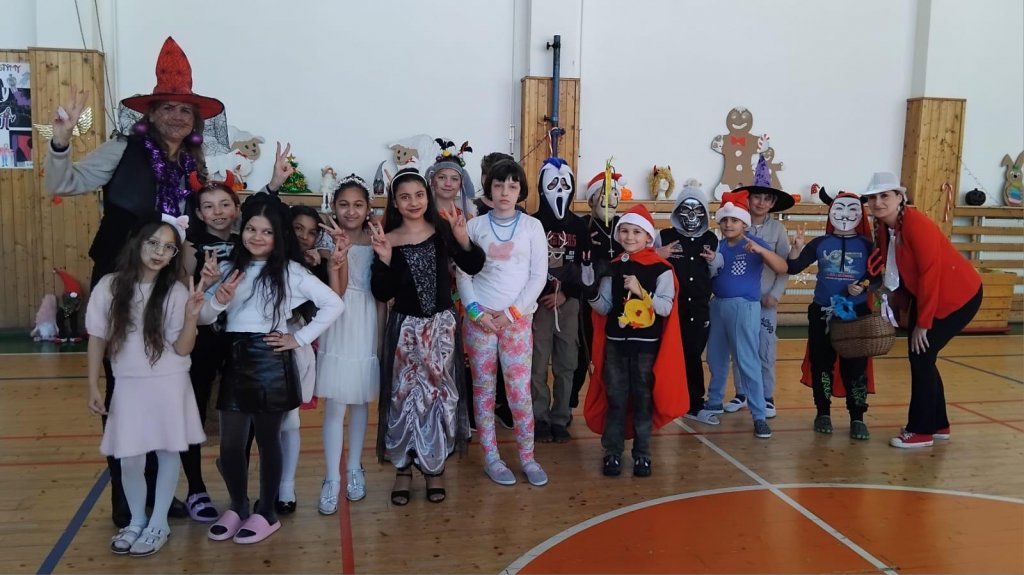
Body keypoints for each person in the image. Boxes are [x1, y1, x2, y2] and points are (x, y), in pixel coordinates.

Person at [45, 37, 227, 528]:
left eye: (185, 110)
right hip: (122, 284)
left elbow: (189, 229)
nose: (177, 117)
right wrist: (60, 141)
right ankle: (127, 502)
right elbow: (63, 183)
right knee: (124, 389)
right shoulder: (122, 150)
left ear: (195, 119)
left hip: (168, 291)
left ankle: (155, 490)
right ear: (151, 113)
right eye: (167, 108)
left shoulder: (193, 166)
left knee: (164, 385)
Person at [199, 195, 344, 544]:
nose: (258, 237)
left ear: (279, 237)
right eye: (251, 229)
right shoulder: (229, 267)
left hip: (270, 362)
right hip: (236, 360)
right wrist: (216, 299)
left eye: (267, 232)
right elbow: (202, 316)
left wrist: (299, 338)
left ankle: (267, 512)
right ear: (243, 230)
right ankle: (238, 506)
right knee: (231, 446)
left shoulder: (291, 271)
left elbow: (333, 304)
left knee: (268, 441)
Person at [85, 216, 206, 556]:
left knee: (168, 453)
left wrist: (192, 317)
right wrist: (93, 384)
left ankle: (158, 524)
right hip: (128, 383)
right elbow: (97, 337)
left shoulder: (176, 291)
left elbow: (182, 348)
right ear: (137, 242)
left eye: (168, 248)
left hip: (169, 382)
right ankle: (137, 519)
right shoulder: (109, 286)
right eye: (153, 243)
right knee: (129, 458)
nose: (159, 252)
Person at [370, 164, 485, 505]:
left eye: (419, 195)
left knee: (438, 397)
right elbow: (382, 291)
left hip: (441, 329)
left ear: (427, 196)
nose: (413, 202)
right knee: (403, 398)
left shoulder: (442, 232)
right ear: (395, 202)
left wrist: (463, 240)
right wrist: (385, 259)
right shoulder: (388, 239)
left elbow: (474, 265)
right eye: (405, 197)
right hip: (405, 330)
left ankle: (434, 467)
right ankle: (403, 469)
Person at [861, 172, 982, 448]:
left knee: (921, 356)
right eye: (873, 197)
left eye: (885, 196)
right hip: (927, 296)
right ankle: (938, 424)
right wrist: (898, 303)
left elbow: (930, 275)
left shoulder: (917, 225)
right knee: (923, 358)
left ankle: (921, 431)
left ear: (899, 198)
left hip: (957, 296)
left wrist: (923, 323)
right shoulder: (884, 227)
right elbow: (897, 271)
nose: (878, 202)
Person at [457, 159, 549, 487]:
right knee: (483, 390)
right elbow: (463, 272)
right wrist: (475, 313)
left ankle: (528, 457)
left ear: (521, 190)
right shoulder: (475, 227)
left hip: (516, 322)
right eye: (498, 185)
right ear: (489, 189)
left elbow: (538, 276)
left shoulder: (532, 228)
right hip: (480, 322)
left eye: (512, 186)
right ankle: (491, 458)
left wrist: (511, 313)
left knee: (519, 393)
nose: (505, 192)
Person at [585, 205, 687, 477]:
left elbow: (665, 307)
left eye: (637, 232)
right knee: (616, 400)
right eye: (625, 231)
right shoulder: (613, 266)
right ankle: (612, 452)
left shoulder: (661, 270)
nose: (630, 237)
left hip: (646, 348)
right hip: (616, 345)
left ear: (648, 237)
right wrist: (590, 292)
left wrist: (641, 290)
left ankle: (642, 455)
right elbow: (605, 307)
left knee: (643, 401)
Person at [315, 175, 383, 512]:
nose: (351, 211)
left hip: (367, 317)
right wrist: (334, 256)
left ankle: (355, 467)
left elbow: (382, 291)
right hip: (339, 318)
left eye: (358, 204)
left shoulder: (377, 237)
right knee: (336, 402)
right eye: (344, 204)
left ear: (368, 207)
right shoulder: (326, 239)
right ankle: (332, 476)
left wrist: (381, 333)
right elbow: (333, 290)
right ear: (334, 206)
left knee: (360, 400)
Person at [787, 189, 875, 439]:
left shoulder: (868, 246)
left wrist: (863, 286)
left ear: (860, 214)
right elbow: (793, 267)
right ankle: (823, 413)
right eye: (839, 209)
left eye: (851, 209)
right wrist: (796, 249)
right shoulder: (820, 243)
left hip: (856, 314)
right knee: (822, 365)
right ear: (831, 212)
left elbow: (877, 276)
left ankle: (857, 417)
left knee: (855, 367)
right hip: (822, 314)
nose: (845, 214)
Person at [179, 176, 242, 523]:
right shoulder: (191, 245)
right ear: (200, 213)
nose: (217, 212)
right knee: (194, 409)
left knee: (238, 412)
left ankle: (237, 484)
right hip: (201, 339)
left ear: (236, 209)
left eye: (224, 204)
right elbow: (183, 291)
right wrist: (204, 280)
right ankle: (196, 488)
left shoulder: (245, 242)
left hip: (237, 338)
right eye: (209, 206)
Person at [704, 192, 789, 439]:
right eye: (724, 220)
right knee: (716, 358)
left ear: (744, 223)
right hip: (718, 306)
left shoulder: (754, 243)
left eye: (734, 220)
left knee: (748, 360)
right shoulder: (717, 246)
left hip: (744, 307)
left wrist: (761, 251)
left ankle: (759, 415)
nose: (729, 224)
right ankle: (714, 402)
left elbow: (782, 267)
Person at [723, 165, 794, 418]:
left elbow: (785, 267)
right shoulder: (736, 224)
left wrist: (775, 294)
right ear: (748, 199)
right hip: (741, 301)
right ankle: (742, 393)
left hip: (764, 301)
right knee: (740, 347)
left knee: (765, 348)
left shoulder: (778, 231)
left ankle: (766, 396)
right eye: (757, 197)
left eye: (767, 198)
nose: (761, 202)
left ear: (773, 203)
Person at [530, 157, 592, 443]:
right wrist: (540, 294)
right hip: (538, 305)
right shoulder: (532, 224)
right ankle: (539, 417)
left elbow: (587, 266)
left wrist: (567, 292)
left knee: (567, 363)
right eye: (553, 183)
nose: (559, 189)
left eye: (565, 184)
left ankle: (560, 416)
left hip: (568, 303)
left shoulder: (579, 226)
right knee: (537, 363)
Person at [657, 179, 719, 425]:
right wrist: (658, 254)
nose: (692, 215)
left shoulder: (711, 239)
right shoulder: (664, 237)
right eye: (686, 209)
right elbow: (647, 263)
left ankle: (694, 403)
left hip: (699, 309)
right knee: (665, 355)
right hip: (671, 309)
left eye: (697, 210)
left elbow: (715, 271)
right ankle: (661, 400)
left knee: (693, 355)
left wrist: (714, 260)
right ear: (677, 210)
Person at [571, 170, 624, 408]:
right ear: (591, 199)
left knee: (613, 354)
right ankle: (570, 401)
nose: (610, 199)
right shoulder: (583, 225)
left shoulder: (624, 226)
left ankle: (612, 404)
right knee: (582, 353)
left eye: (615, 193)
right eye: (604, 193)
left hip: (618, 300)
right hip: (588, 299)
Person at [472, 152, 517, 429]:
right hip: (479, 306)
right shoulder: (474, 212)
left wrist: (516, 309)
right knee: (479, 370)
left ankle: (504, 406)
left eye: (509, 183)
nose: (502, 190)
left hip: (513, 312)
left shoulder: (521, 219)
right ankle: (476, 414)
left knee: (511, 370)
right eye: (492, 179)